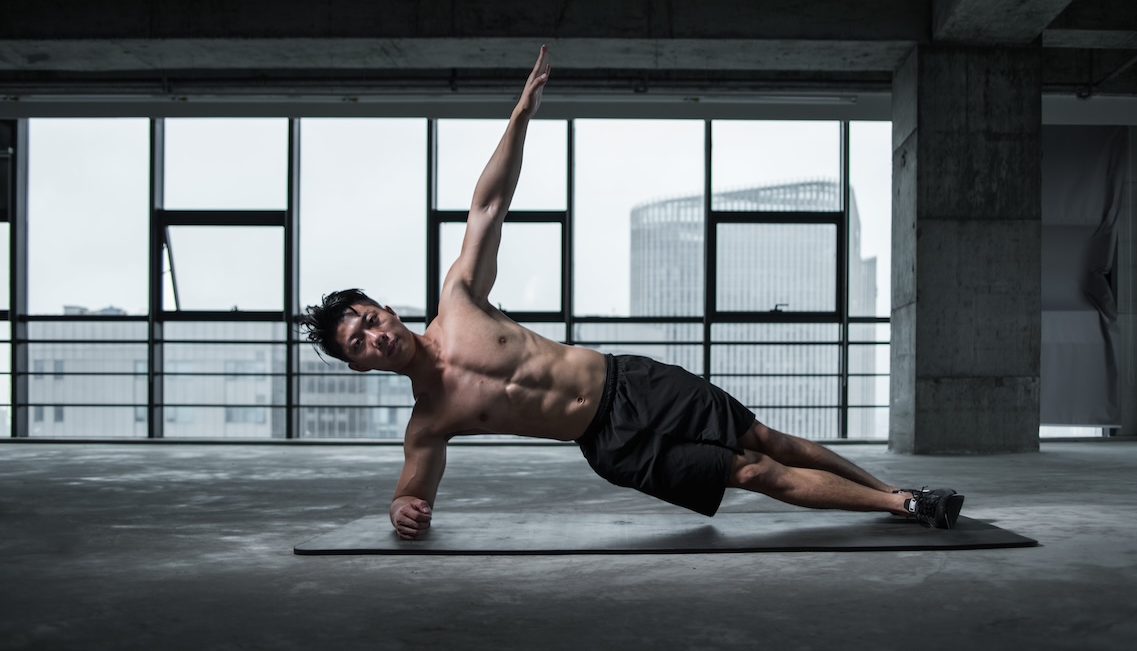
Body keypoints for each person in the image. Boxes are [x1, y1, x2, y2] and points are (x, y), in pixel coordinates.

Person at [300, 45, 964, 539]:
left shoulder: (462, 301)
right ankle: (903, 504)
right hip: (612, 444)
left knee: (767, 438)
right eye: (359, 344)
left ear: (384, 308)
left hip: (632, 382)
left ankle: (901, 496)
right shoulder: (429, 421)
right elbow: (413, 489)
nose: (374, 337)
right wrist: (399, 510)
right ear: (360, 366)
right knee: (750, 471)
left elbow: (488, 206)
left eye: (367, 320)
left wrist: (523, 112)